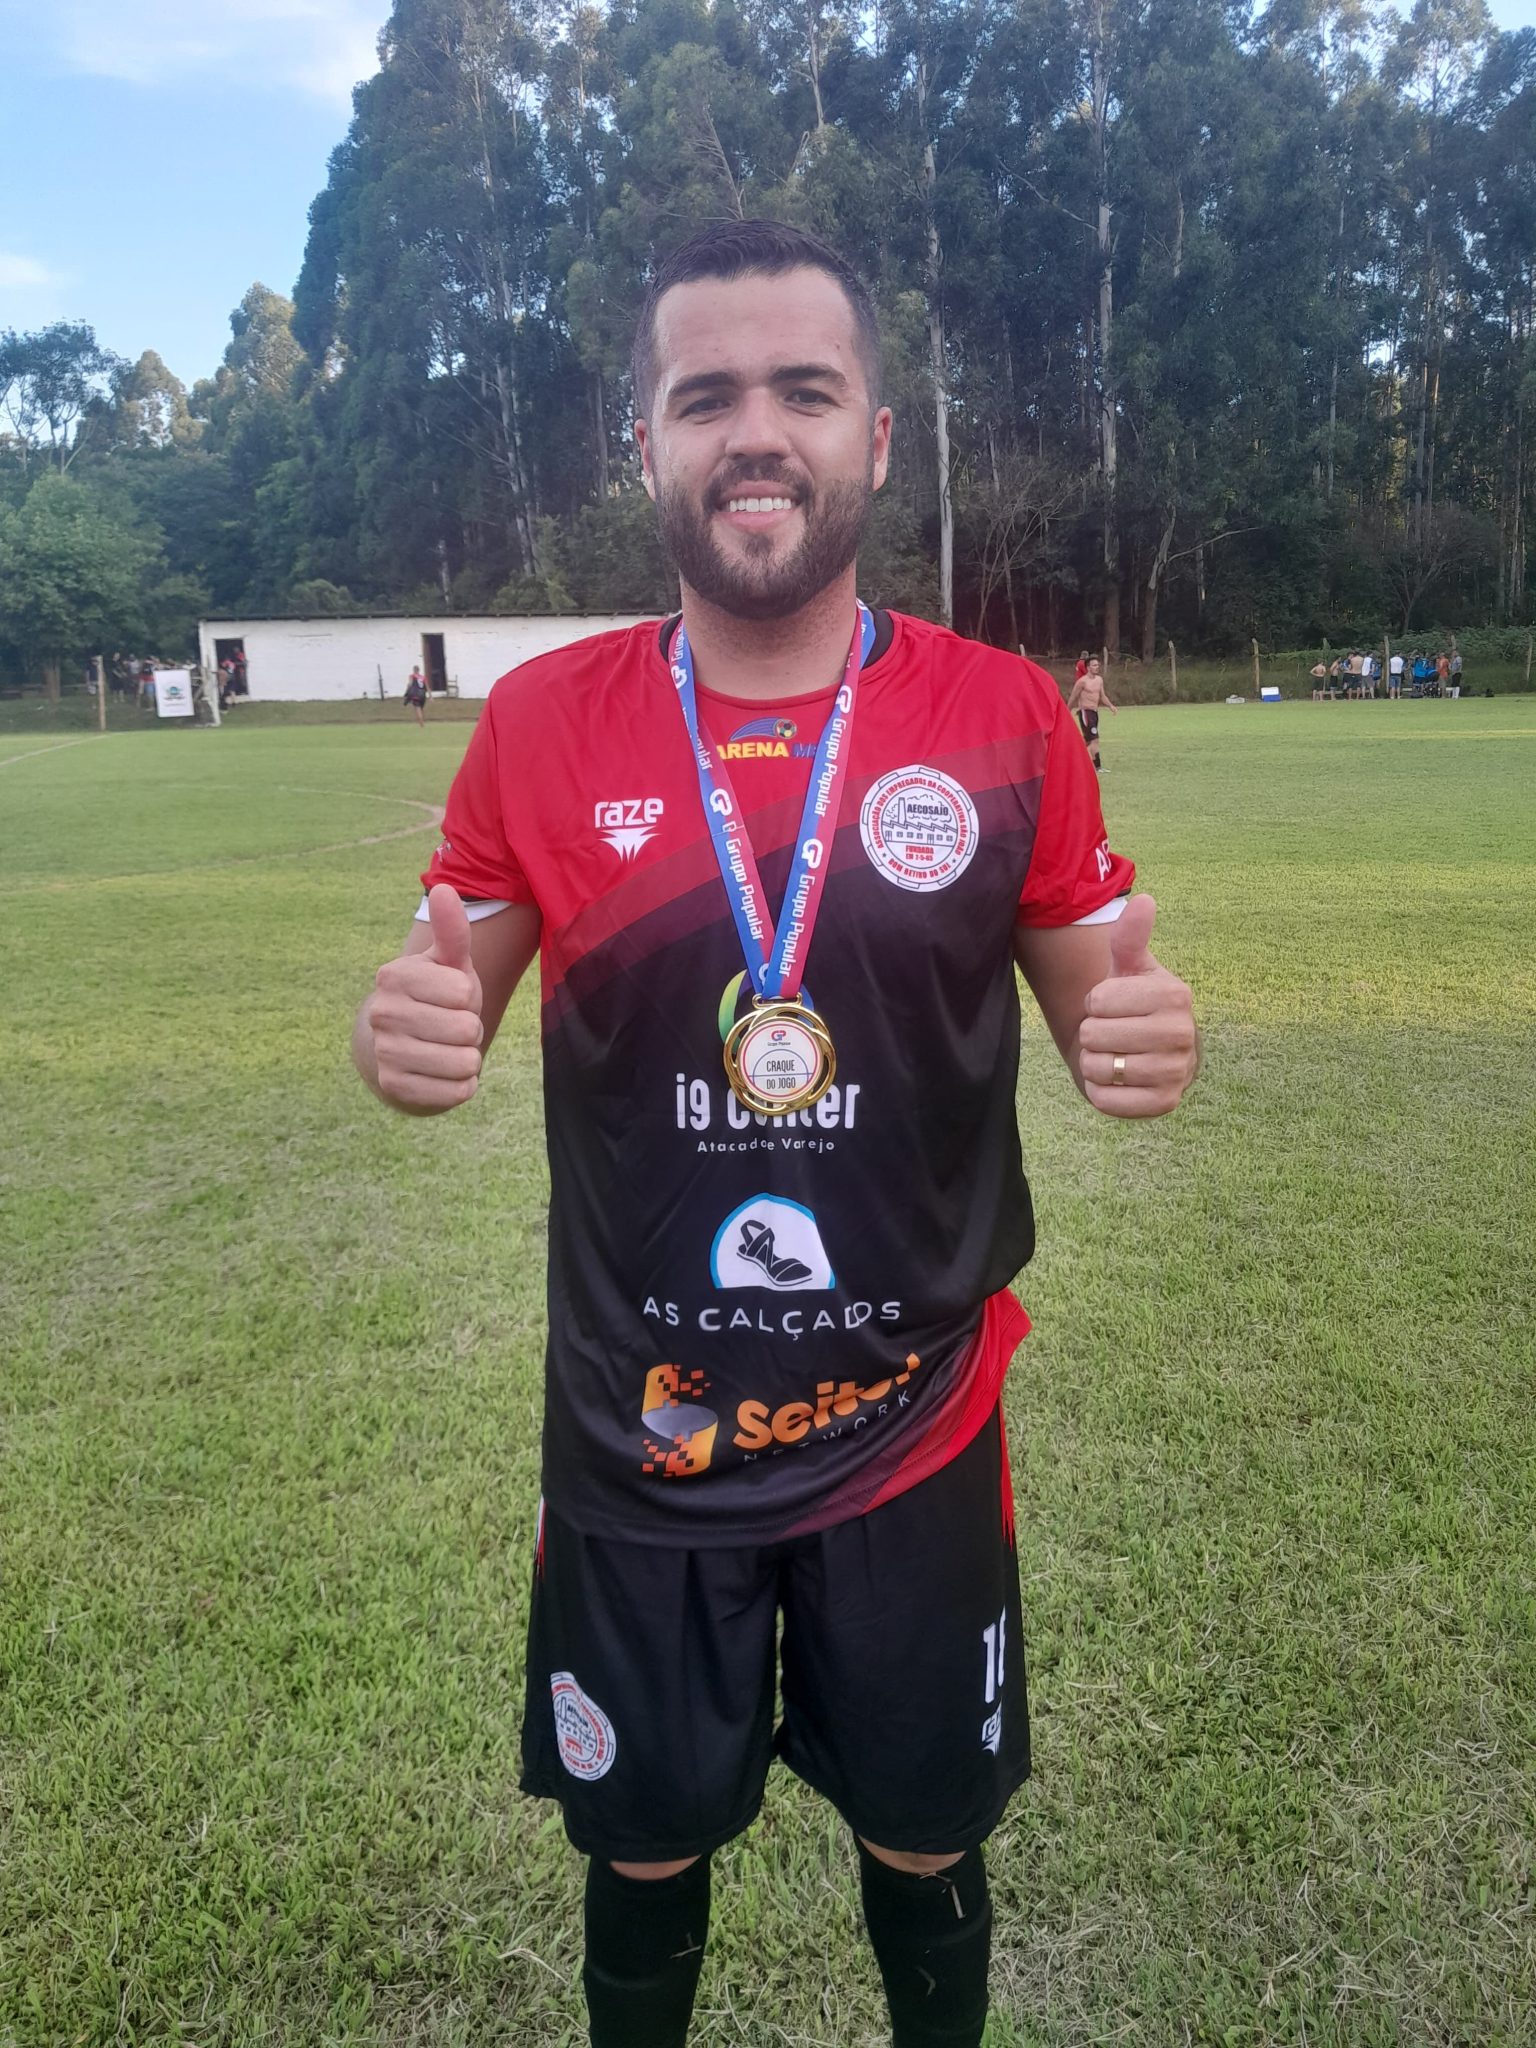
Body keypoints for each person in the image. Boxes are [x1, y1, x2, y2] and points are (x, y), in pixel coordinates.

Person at [352, 220, 1199, 2048]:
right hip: (644, 1429)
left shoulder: (1002, 717)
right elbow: (448, 983)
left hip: (914, 1417)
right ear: (644, 445)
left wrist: (1133, 1032)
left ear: (873, 437)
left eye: (804, 391)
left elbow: (1094, 990)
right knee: (642, 1839)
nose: (757, 432)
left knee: (925, 1826)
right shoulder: (544, 722)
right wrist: (402, 1031)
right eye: (706, 396)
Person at [1067, 655, 1117, 769]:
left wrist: (1111, 706)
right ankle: (1098, 767)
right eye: (1094, 665)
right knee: (1095, 739)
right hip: (1085, 713)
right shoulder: (1082, 682)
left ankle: (1072, 758)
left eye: (1098, 665)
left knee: (1089, 741)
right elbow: (1073, 698)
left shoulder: (1099, 680)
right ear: (1088, 667)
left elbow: (1102, 696)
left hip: (1094, 713)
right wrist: (1067, 712)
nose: (1097, 667)